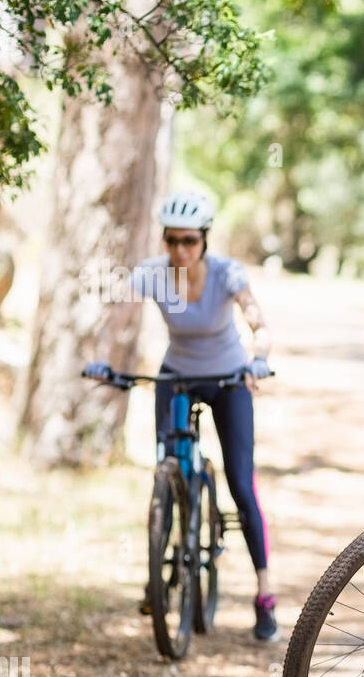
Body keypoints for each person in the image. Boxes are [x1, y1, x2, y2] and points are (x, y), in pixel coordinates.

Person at [87, 191, 279, 641]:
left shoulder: (227, 273)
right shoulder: (153, 274)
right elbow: (117, 318)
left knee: (241, 482)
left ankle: (265, 593)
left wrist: (258, 358)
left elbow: (258, 322)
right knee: (166, 470)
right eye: (171, 240)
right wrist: (102, 358)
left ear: (205, 240)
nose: (180, 250)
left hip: (229, 379)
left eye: (189, 241)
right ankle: (160, 570)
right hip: (176, 377)